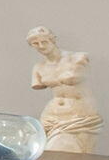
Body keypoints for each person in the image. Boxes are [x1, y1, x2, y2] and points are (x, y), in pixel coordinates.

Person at [28, 25, 102, 153]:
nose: (40, 46)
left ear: (53, 40)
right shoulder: (38, 67)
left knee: (59, 151)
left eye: (44, 41)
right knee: (32, 149)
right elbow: (37, 84)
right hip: (50, 116)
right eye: (35, 43)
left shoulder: (78, 58)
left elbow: (77, 77)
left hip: (77, 115)